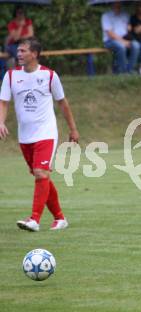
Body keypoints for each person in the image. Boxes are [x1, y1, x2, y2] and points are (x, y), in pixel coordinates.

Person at [0, 37, 79, 232]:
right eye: (18, 51)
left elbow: (63, 103)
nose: (18, 54)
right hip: (24, 136)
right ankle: (60, 218)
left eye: (23, 51)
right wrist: (0, 121)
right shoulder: (10, 76)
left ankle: (34, 219)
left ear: (34, 54)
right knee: (41, 176)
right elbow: (3, 102)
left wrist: (73, 129)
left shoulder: (50, 76)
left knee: (41, 173)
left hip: (46, 132)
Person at [101, 2, 140, 74]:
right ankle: (123, 71)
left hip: (125, 39)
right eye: (115, 3)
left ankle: (129, 70)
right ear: (112, 4)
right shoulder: (106, 16)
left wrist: (130, 27)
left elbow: (129, 29)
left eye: (119, 3)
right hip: (109, 41)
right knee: (121, 47)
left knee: (136, 45)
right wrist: (123, 41)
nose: (118, 5)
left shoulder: (125, 15)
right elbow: (110, 34)